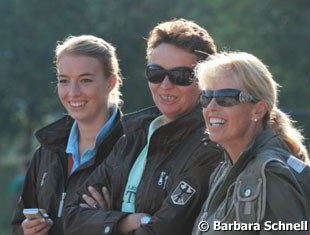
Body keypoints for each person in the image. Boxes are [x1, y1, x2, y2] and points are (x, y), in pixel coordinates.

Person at [63, 18, 223, 235]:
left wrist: (104, 221)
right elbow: (71, 218)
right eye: (156, 73)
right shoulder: (132, 135)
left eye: (181, 76)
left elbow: (164, 230)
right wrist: (123, 222)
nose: (165, 85)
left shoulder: (210, 146)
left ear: (205, 79)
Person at [11, 35, 124, 235]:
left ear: (111, 82)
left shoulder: (133, 148)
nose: (73, 92)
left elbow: (149, 225)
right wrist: (26, 231)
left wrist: (109, 224)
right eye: (64, 81)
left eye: (85, 80)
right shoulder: (45, 153)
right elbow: (18, 225)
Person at [192, 51, 310, 235]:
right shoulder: (224, 170)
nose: (212, 107)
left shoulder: (270, 174)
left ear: (258, 110)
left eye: (226, 98)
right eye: (206, 98)